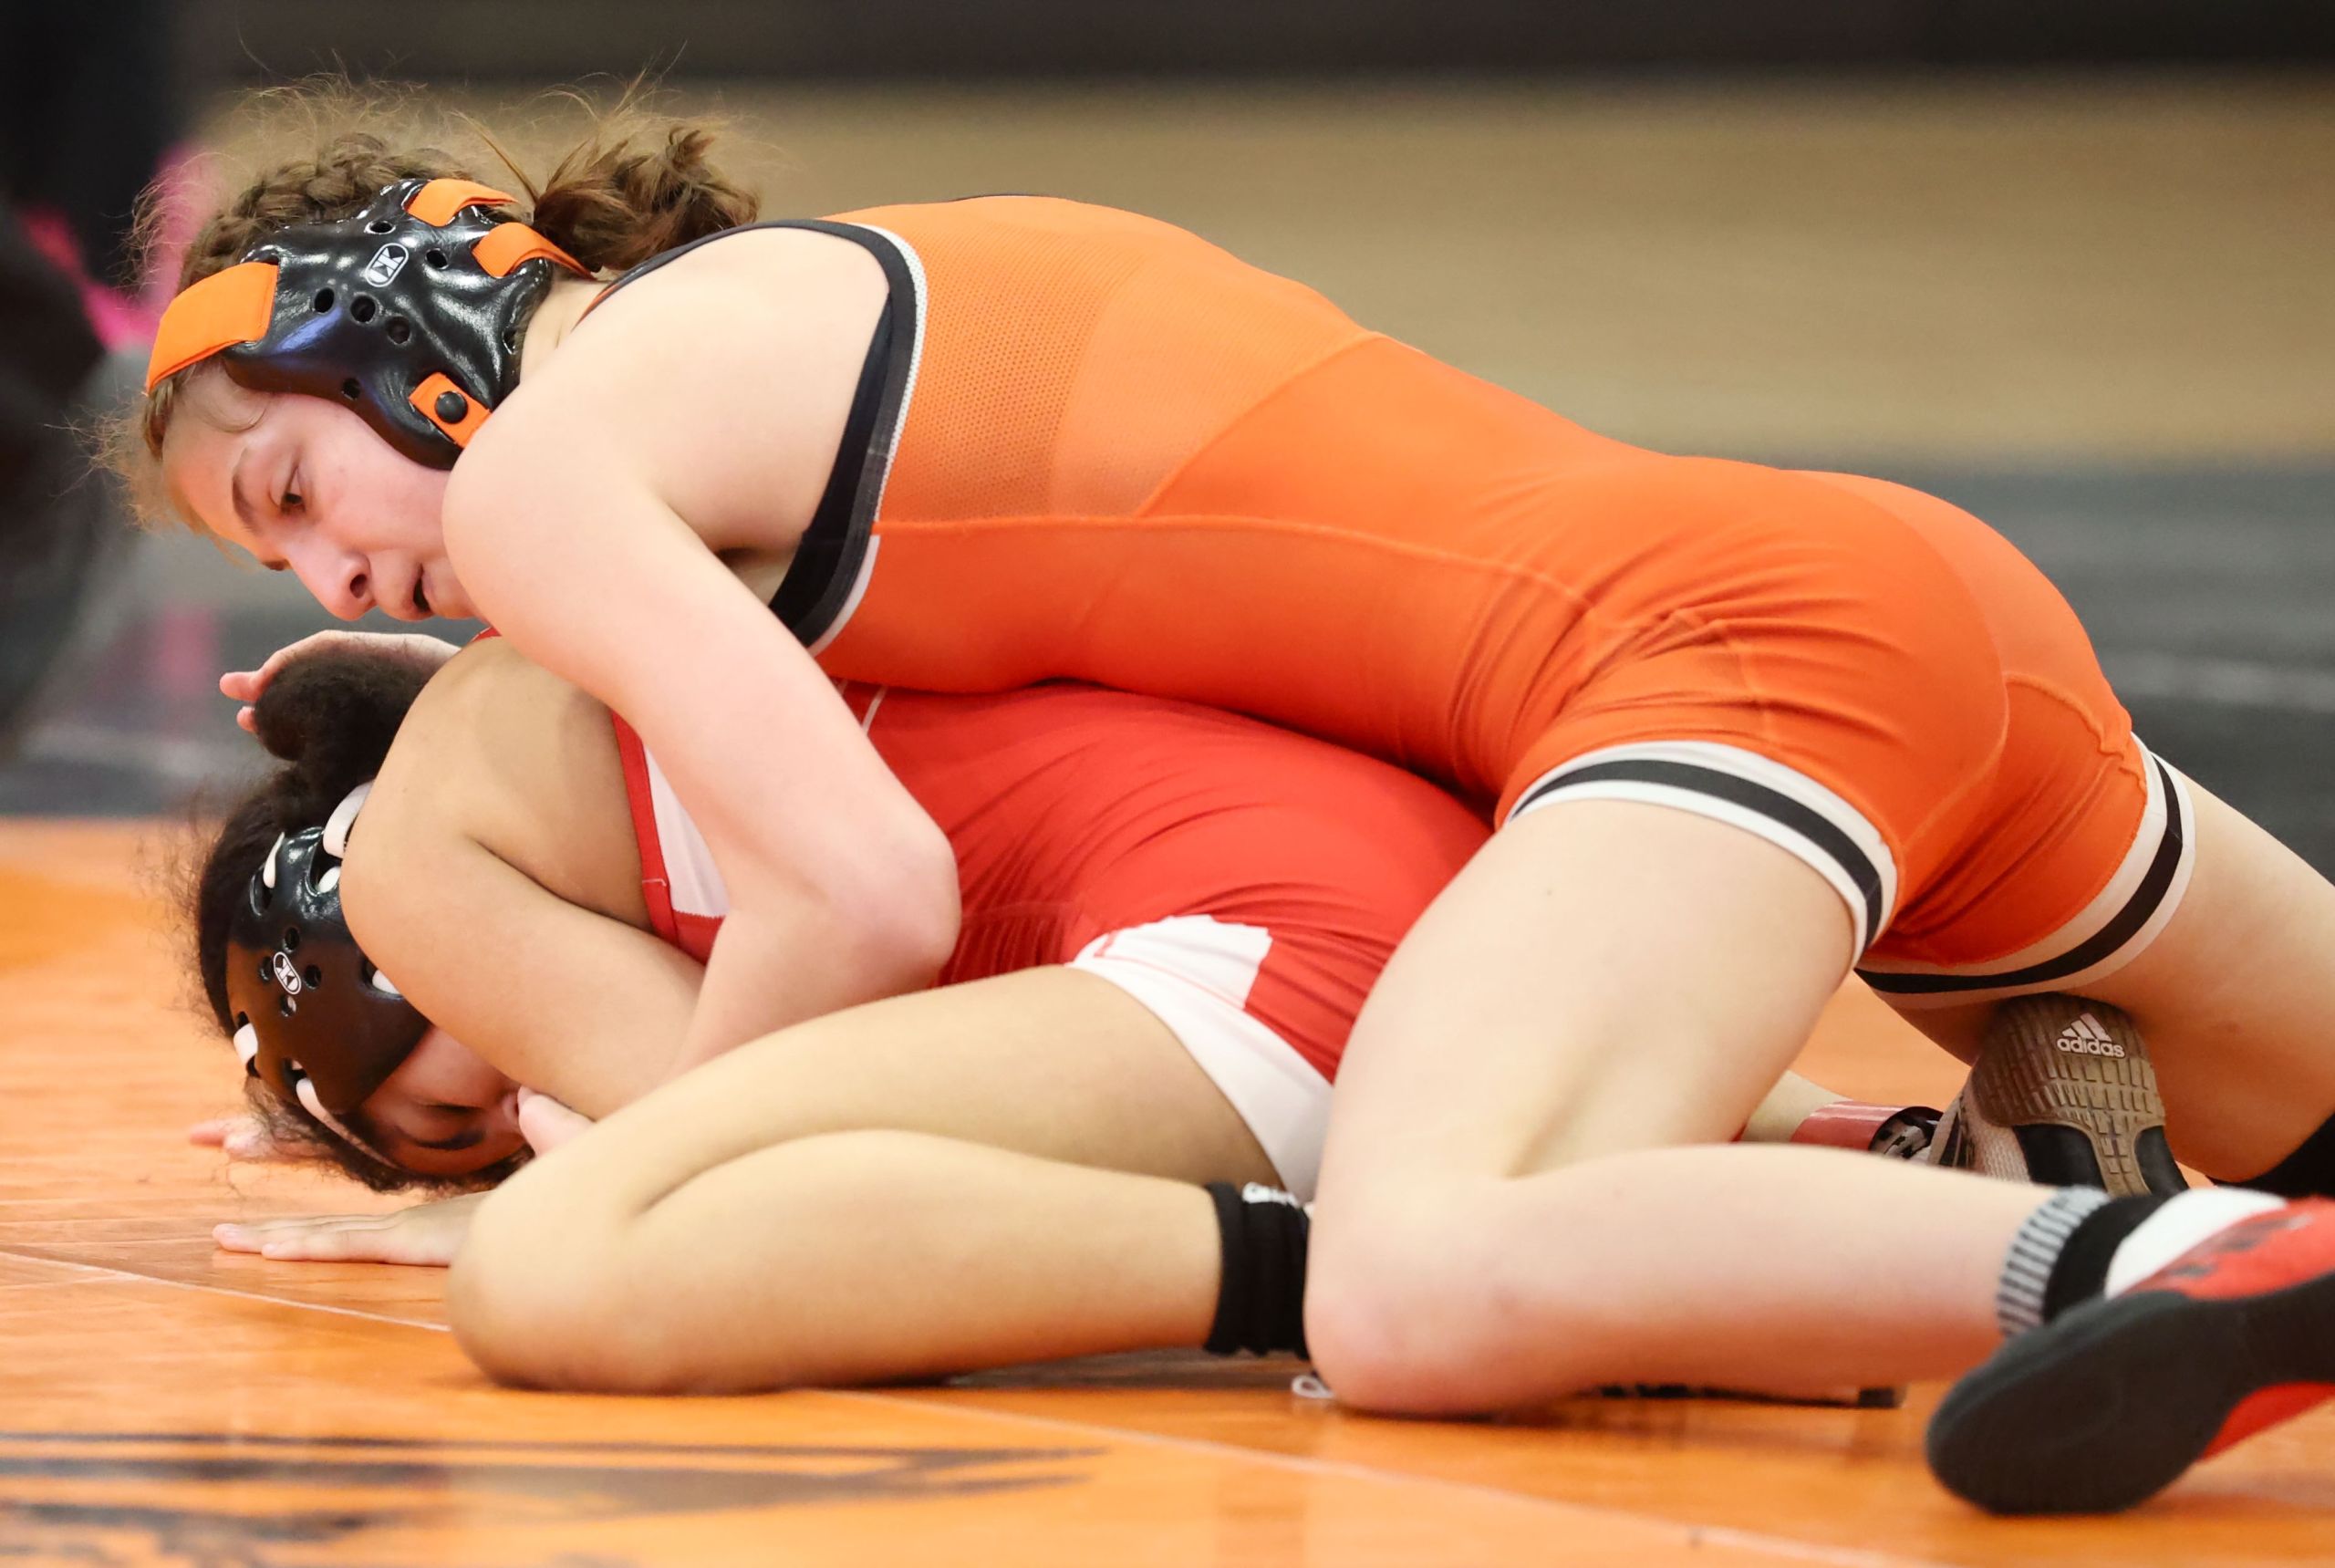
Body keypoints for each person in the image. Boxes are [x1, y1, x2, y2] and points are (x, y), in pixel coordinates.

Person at [125, 94, 2335, 1514]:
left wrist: (661, 1173)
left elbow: (867, 883)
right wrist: (429, 705)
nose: (328, 575)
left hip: (1709, 668)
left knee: (1408, 1282)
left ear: (398, 324)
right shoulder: (776, 326)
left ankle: (2128, 1252)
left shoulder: (548, 474)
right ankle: (2055, 1145)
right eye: (275, 562)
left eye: (293, 489)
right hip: (1888, 624)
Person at [189, 633, 1904, 1376]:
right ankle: (1889, 1156)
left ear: (366, 945)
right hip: (1473, 869)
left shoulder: (420, 866)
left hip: (1279, 941)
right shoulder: (617, 678)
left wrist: (531, 1190)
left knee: (604, 1260)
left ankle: (1376, 1271)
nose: (511, 1122)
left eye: (456, 1111)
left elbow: (692, 1151)